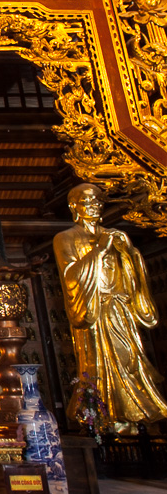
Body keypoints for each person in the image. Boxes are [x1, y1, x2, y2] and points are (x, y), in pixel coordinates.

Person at [54, 183, 167, 427]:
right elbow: (71, 277)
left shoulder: (116, 235)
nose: (93, 207)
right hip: (94, 310)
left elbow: (133, 271)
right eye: (87, 202)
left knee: (131, 359)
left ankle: (140, 418)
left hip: (120, 307)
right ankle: (104, 419)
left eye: (97, 202)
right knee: (98, 363)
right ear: (74, 206)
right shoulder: (65, 238)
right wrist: (100, 251)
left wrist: (127, 252)